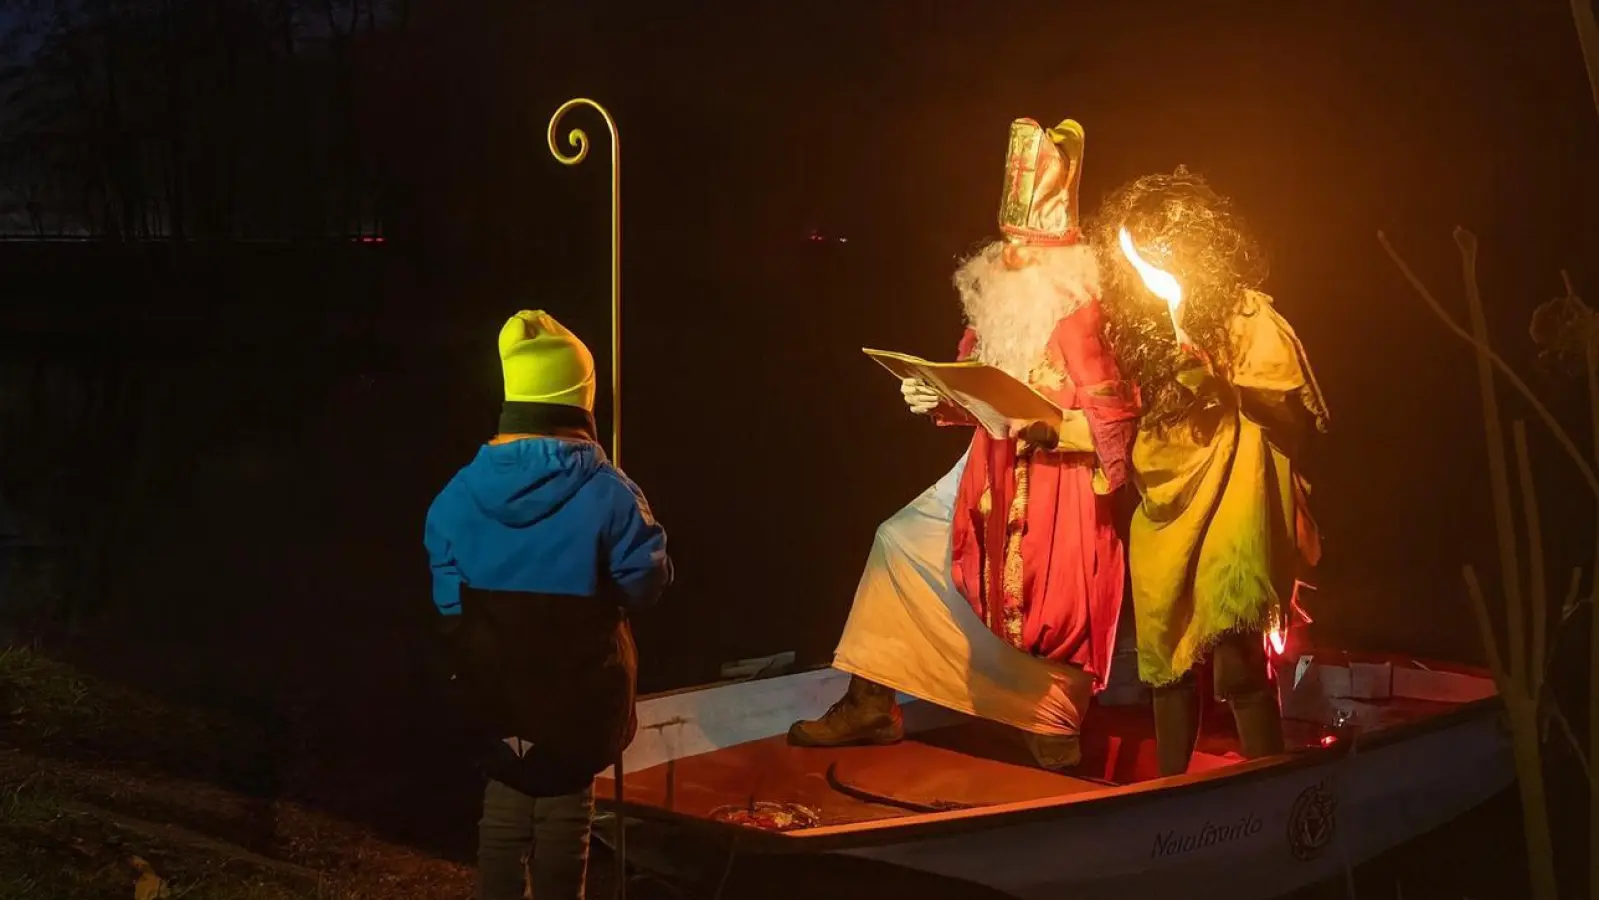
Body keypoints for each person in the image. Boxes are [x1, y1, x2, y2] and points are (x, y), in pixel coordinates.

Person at [788, 117, 1138, 769]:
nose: (1011, 258)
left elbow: (1117, 421)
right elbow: (980, 383)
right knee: (899, 540)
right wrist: (936, 398)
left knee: (1046, 599)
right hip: (988, 469)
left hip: (1056, 486)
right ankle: (871, 700)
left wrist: (1055, 428)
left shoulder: (1080, 316)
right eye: (1009, 242)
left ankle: (1048, 721)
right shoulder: (1002, 307)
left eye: (1027, 247)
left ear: (1057, 257)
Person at [424, 310, 672, 900]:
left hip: (493, 687)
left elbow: (446, 593)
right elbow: (648, 584)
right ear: (580, 405)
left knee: (505, 807)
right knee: (566, 814)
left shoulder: (457, 493)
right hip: (580, 695)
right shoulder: (610, 491)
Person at [1091, 167, 1328, 776]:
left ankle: (1271, 788)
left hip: (1235, 492)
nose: (1158, 255)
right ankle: (1172, 793)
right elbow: (1117, 419)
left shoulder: (1247, 315)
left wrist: (1224, 383)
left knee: (1237, 658)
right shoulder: (1134, 334)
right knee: (1167, 664)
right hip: (1163, 505)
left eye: (1172, 241)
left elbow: (1289, 408)